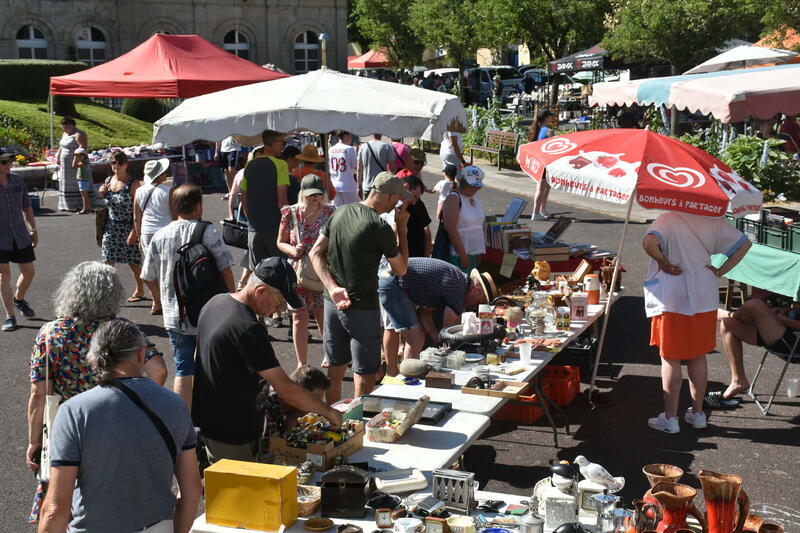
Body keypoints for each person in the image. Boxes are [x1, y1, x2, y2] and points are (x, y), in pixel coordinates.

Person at [26, 261, 166, 524]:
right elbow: (158, 371)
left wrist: (35, 441)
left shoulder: (50, 333)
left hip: (67, 427)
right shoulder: (123, 330)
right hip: (116, 425)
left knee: (59, 503)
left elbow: (39, 393)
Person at [38, 319, 201, 533]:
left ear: (93, 359)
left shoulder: (75, 411)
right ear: (141, 355)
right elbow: (192, 490)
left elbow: (55, 510)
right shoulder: (175, 404)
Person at [192, 257, 343, 463]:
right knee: (239, 492)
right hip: (233, 432)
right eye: (279, 302)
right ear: (260, 291)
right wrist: (328, 411)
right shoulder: (247, 329)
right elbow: (286, 389)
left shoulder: (215, 302)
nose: (278, 310)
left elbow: (198, 357)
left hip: (212, 422)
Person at [642, 211, 751, 433]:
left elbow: (649, 243)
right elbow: (744, 244)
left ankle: (670, 418)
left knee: (670, 357)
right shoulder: (712, 220)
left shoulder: (667, 218)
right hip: (704, 294)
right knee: (697, 355)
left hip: (673, 294)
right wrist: (721, 271)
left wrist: (663, 262)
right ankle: (698, 413)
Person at [310, 172, 411, 402]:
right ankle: (356, 428)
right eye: (397, 198)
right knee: (365, 375)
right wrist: (401, 229)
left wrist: (332, 287)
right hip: (362, 306)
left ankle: (333, 422)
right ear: (388, 196)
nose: (398, 203)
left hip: (332, 301)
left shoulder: (340, 212)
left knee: (335, 369)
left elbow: (315, 252)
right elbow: (401, 269)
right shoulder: (379, 226)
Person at [141, 184, 235, 407]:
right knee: (213, 363)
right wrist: (232, 298)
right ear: (198, 205)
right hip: (209, 310)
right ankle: (212, 414)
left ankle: (186, 421)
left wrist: (159, 299)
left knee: (183, 366)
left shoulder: (160, 235)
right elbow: (225, 268)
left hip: (175, 313)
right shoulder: (207, 231)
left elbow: (147, 275)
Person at [379, 258, 495, 371]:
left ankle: (392, 372)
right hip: (395, 282)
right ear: (476, 290)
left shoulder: (456, 281)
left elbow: (424, 311)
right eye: (479, 302)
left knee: (394, 329)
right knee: (416, 338)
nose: (475, 307)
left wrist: (435, 336)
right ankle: (409, 377)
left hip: (390, 277)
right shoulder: (459, 288)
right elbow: (448, 330)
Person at [277, 174, 336, 368]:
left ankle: (329, 353)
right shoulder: (290, 213)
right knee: (298, 316)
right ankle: (302, 364)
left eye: (319, 193)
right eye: (311, 194)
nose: (316, 197)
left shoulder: (330, 212)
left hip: (321, 270)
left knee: (322, 313)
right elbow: (280, 242)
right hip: (297, 271)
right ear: (302, 193)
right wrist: (293, 250)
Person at [707, 298, 800, 408]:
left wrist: (784, 319)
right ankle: (738, 381)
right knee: (728, 324)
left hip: (794, 342)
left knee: (754, 304)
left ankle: (728, 314)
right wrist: (785, 312)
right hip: (784, 334)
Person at [98, 151, 150, 303]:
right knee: (108, 261)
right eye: (113, 162)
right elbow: (107, 203)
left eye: (120, 163)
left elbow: (140, 209)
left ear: (126, 164)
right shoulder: (108, 180)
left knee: (133, 262)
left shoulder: (133, 184)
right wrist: (102, 193)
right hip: (111, 226)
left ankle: (142, 290)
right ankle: (108, 292)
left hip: (128, 226)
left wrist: (135, 231)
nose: (116, 166)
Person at [240, 129, 290, 269]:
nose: (283, 147)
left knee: (259, 274)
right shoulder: (280, 165)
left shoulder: (250, 165)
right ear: (273, 143)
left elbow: (243, 198)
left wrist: (251, 220)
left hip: (254, 229)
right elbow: (282, 202)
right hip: (274, 228)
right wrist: (290, 228)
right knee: (279, 272)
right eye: (282, 143)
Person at [0, 149, 37, 332]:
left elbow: (27, 206)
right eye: (4, 161)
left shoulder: (17, 180)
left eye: (9, 160)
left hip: (20, 234)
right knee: (4, 275)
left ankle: (19, 299)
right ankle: (10, 315)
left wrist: (33, 229)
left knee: (29, 272)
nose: (8, 164)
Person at [134, 158, 174, 316]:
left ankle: (156, 301)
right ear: (160, 174)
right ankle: (165, 300)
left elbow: (137, 217)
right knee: (167, 267)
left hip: (146, 232)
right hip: (165, 231)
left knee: (150, 268)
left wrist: (138, 237)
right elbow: (174, 214)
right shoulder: (168, 190)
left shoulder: (139, 191)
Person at [229, 146, 264, 290]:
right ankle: (245, 282)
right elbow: (239, 197)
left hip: (244, 213)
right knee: (252, 249)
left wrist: (231, 214)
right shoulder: (251, 173)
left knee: (251, 248)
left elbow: (232, 194)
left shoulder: (242, 172)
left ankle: (245, 281)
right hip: (250, 213)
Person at [441, 166, 486, 273]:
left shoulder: (474, 197)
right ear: (463, 182)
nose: (474, 189)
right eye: (471, 186)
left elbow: (476, 224)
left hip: (472, 253)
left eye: (477, 186)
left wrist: (477, 251)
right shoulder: (454, 198)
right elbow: (450, 228)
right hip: (458, 255)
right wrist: (462, 254)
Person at [55, 116, 89, 212]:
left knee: (78, 183)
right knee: (65, 182)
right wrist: (58, 156)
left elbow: (81, 148)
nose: (64, 129)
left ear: (71, 125)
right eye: (63, 127)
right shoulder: (65, 134)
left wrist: (75, 160)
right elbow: (61, 146)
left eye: (66, 127)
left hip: (76, 162)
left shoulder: (79, 134)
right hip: (65, 164)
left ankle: (81, 205)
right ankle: (66, 204)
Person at [528, 109, 555, 220]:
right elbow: (552, 147)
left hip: (538, 161)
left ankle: (542, 209)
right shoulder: (549, 131)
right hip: (546, 162)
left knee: (546, 186)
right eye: (550, 116)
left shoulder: (535, 129)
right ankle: (536, 212)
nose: (552, 118)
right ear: (546, 117)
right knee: (542, 187)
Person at [400, 174, 432, 258]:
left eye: (417, 198)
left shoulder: (419, 205)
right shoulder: (391, 206)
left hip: (416, 256)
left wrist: (426, 258)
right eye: (414, 197)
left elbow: (427, 233)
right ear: (405, 188)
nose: (414, 202)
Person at [357, 134, 395, 198]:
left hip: (367, 186)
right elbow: (393, 169)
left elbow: (359, 169)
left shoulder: (363, 146)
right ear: (382, 134)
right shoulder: (387, 146)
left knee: (367, 207)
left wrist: (359, 186)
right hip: (382, 186)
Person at [328, 130, 360, 207]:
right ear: (345, 136)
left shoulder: (331, 149)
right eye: (350, 136)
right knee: (353, 210)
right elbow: (356, 166)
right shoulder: (350, 149)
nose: (351, 139)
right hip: (348, 185)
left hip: (334, 185)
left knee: (338, 211)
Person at [216, 135, 242, 200]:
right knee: (226, 171)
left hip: (234, 148)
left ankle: (240, 190)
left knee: (231, 169)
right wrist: (216, 152)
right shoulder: (220, 126)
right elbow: (218, 138)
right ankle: (231, 192)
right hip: (223, 149)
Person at [71, 147, 93, 214]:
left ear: (84, 156)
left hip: (84, 180)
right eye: (77, 156)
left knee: (84, 195)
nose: (78, 157)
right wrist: (75, 156)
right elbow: (74, 166)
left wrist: (76, 157)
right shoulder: (83, 162)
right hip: (82, 179)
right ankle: (88, 208)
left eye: (80, 156)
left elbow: (73, 166)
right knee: (84, 195)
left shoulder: (83, 163)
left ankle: (85, 209)